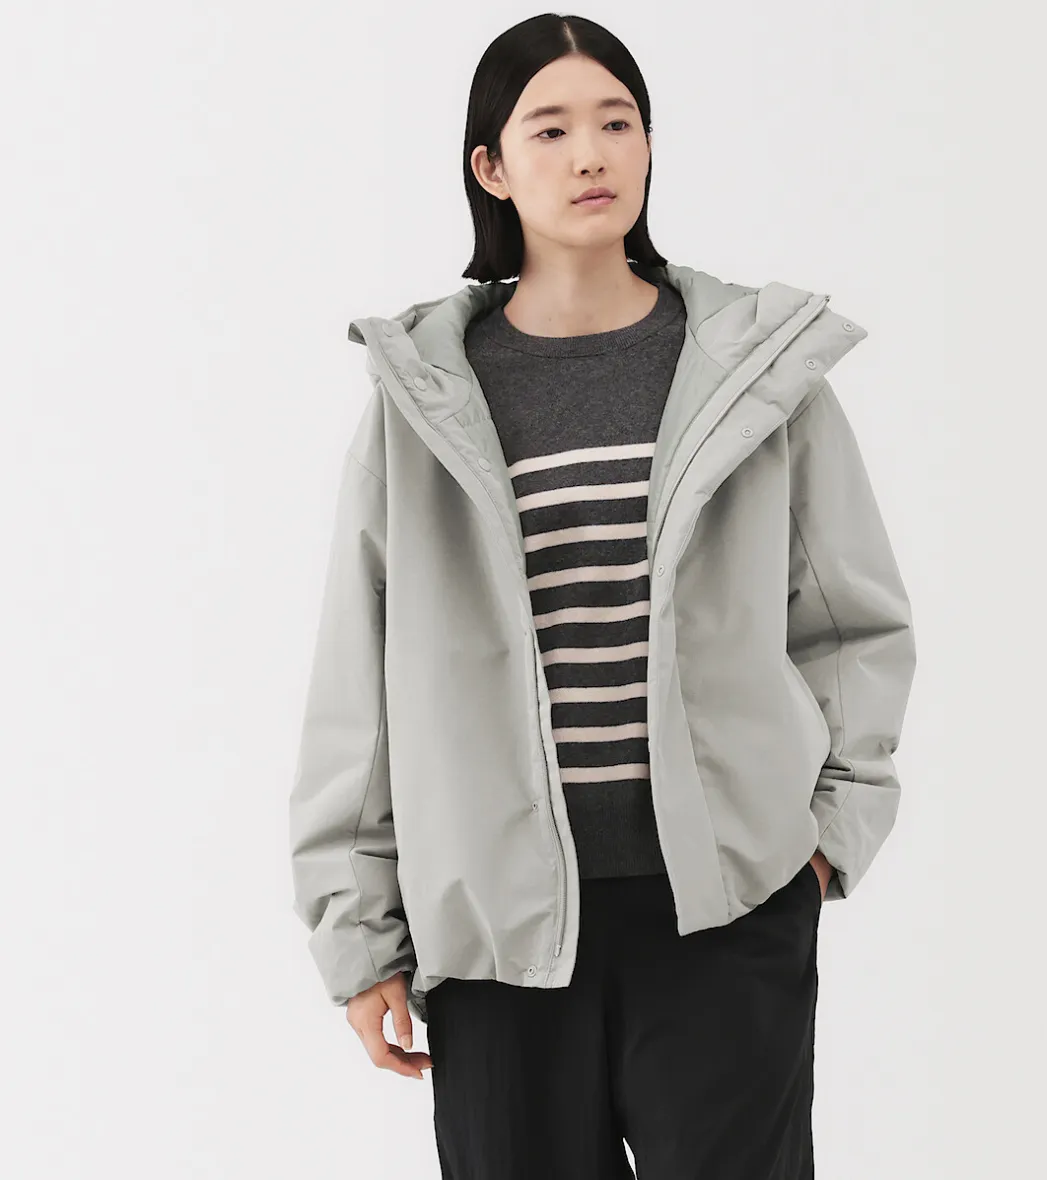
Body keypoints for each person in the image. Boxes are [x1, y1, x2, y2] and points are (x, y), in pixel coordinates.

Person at [288, 12, 916, 1179]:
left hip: (723, 912)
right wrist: (359, 932)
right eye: (552, 129)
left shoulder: (754, 372)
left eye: (617, 123)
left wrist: (824, 842)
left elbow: (851, 624)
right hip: (498, 933)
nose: (591, 154)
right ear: (491, 167)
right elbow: (358, 689)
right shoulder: (423, 402)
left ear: (648, 145)